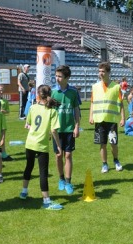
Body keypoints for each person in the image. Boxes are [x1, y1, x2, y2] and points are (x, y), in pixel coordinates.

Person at [19, 84, 64, 210]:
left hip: (30, 143)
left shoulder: (33, 108)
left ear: (38, 95)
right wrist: (59, 146)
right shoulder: (52, 111)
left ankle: (24, 191)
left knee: (29, 167)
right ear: (50, 95)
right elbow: (54, 131)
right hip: (41, 145)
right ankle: (46, 201)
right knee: (43, 173)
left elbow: (27, 124)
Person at [89, 62, 125, 173]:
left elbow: (121, 103)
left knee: (113, 143)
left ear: (108, 72)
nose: (101, 73)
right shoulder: (95, 87)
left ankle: (116, 160)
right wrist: (91, 116)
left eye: (103, 71)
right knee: (102, 143)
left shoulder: (116, 87)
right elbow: (92, 102)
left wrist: (123, 118)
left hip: (112, 120)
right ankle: (104, 164)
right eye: (99, 71)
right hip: (99, 120)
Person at [52, 65, 80, 195]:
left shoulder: (73, 92)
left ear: (67, 78)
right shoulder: (52, 92)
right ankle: (61, 179)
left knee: (68, 155)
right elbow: (49, 112)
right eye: (56, 75)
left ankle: (68, 182)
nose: (57, 78)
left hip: (69, 129)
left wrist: (77, 126)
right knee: (58, 155)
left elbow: (76, 109)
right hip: (56, 130)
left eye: (60, 76)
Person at [0, 84, 13, 161]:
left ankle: (3, 154)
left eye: (2, 90)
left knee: (2, 138)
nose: (1, 92)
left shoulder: (5, 101)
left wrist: (4, 111)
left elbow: (8, 111)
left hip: (2, 122)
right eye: (0, 90)